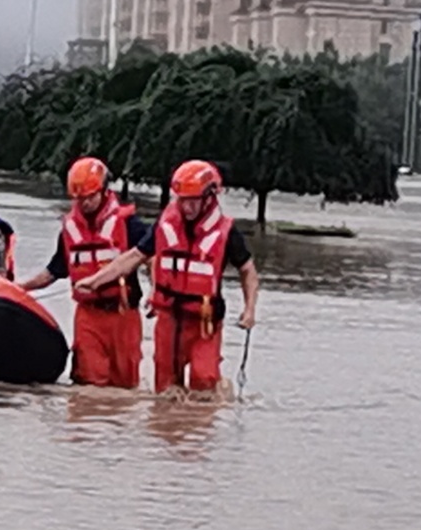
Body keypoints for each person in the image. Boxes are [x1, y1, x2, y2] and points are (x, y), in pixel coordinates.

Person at [74, 159, 258, 393]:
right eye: (182, 200)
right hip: (169, 318)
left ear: (210, 197)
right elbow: (133, 257)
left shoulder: (227, 232)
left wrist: (249, 309)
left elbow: (248, 271)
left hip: (204, 322)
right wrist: (95, 280)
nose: (187, 207)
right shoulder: (165, 225)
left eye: (193, 201)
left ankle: (206, 415)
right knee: (166, 391)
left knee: (204, 380)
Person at [18, 157, 149, 388]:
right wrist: (19, 289)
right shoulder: (69, 231)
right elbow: (52, 273)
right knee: (88, 381)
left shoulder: (130, 225)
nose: (85, 203)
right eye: (79, 198)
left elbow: (152, 256)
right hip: (88, 315)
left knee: (125, 385)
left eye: (90, 197)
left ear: (103, 190)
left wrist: (156, 292)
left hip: (123, 313)